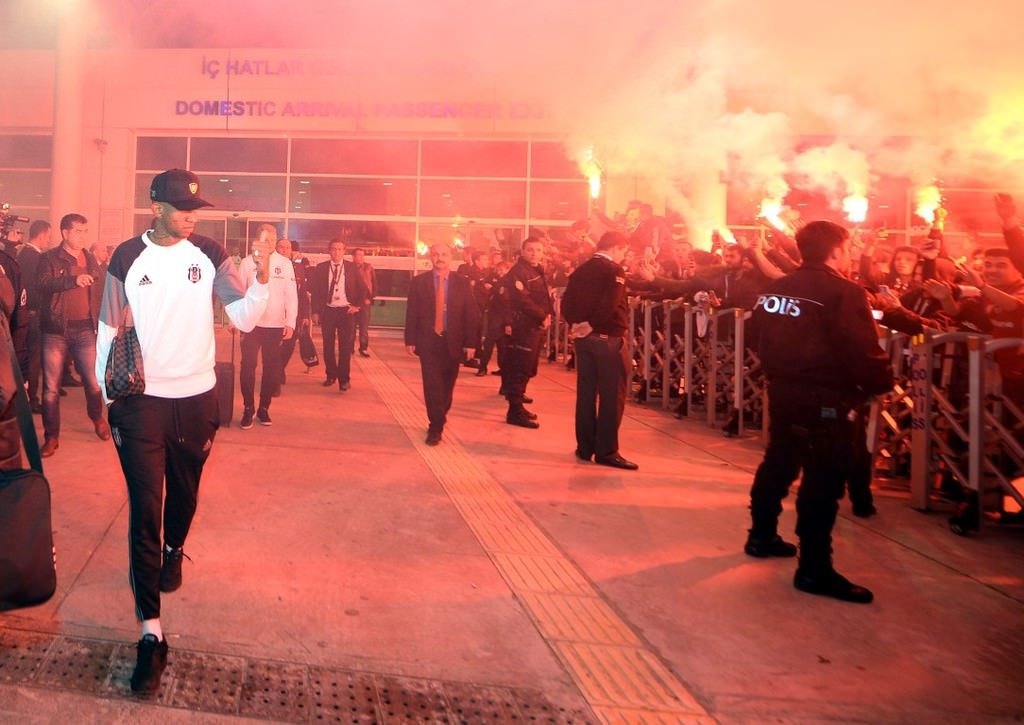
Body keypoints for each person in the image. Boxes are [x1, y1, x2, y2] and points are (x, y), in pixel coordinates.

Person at [94, 168, 271, 694]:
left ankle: (175, 550)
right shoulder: (127, 257)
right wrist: (109, 399)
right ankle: (151, 632)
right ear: (155, 208)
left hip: (197, 400)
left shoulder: (210, 253)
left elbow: (240, 317)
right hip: (142, 403)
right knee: (146, 508)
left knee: (184, 497)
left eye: (195, 207)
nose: (191, 215)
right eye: (180, 207)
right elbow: (106, 328)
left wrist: (259, 277)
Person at [745, 220, 893, 604]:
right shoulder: (844, 292)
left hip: (784, 390)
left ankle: (761, 535)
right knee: (823, 479)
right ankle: (814, 568)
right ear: (837, 251)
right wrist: (881, 382)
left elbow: (752, 333)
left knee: (778, 461)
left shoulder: (776, 288)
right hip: (827, 397)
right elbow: (861, 349)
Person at [560, 231, 639, 470]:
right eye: (624, 250)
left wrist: (576, 325)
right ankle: (606, 450)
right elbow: (611, 302)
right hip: (607, 339)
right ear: (616, 247)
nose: (624, 256)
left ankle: (585, 447)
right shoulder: (614, 271)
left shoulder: (581, 270)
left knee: (586, 394)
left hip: (584, 340)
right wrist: (592, 324)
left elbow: (566, 303)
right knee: (612, 396)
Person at [37, 213, 109, 457]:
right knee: (51, 388)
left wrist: (101, 318)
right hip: (56, 330)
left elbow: (99, 288)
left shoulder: (90, 258)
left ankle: (97, 418)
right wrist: (72, 280)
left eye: (85, 232)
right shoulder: (49, 258)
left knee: (92, 381)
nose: (82, 236)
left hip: (85, 329)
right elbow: (43, 284)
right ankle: (51, 436)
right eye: (78, 231)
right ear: (65, 233)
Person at [404, 243, 479, 446]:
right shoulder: (419, 282)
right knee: (432, 385)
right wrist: (410, 339)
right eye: (436, 254)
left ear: (450, 257)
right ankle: (435, 426)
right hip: (428, 341)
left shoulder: (462, 283)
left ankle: (440, 414)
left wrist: (471, 343)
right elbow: (412, 312)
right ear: (431, 257)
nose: (440, 258)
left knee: (447, 386)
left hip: (453, 342)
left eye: (444, 254)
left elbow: (471, 314)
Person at [236, 223, 297, 428]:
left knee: (271, 369)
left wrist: (290, 322)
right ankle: (248, 408)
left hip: (275, 325)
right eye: (265, 240)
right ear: (257, 240)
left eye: (272, 240)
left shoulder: (285, 263)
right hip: (251, 324)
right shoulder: (246, 263)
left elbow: (291, 296)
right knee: (248, 367)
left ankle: (264, 408)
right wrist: (237, 319)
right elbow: (238, 293)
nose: (269, 244)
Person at [496, 237, 552, 428]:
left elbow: (544, 297)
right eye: (530, 250)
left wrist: (548, 314)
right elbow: (523, 300)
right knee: (519, 368)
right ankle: (514, 410)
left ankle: (518, 404)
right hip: (524, 327)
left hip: (534, 326)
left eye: (538, 250)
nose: (534, 253)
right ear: (522, 251)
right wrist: (542, 316)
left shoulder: (537, 270)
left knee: (528, 367)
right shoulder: (519, 272)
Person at [309, 238, 369, 391]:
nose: (336, 252)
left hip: (346, 312)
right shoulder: (321, 268)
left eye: (339, 249)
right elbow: (315, 291)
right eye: (333, 249)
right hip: (328, 311)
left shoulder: (351, 268)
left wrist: (357, 306)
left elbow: (364, 289)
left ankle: (344, 379)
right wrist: (315, 311)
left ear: (344, 251)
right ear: (329, 251)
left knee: (345, 347)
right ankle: (330, 375)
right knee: (327, 346)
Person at [17, 220, 50, 413]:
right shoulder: (37, 258)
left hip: (22, 314)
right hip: (34, 314)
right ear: (42, 234)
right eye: (49, 235)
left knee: (24, 356)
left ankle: (23, 396)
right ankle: (32, 400)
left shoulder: (21, 254)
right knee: (34, 358)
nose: (49, 240)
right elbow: (35, 288)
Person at [275, 238, 311, 386]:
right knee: (274, 348)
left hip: (293, 316)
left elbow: (302, 294)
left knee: (289, 347)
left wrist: (305, 316)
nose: (284, 250)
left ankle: (279, 369)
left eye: (287, 248)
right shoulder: (271, 266)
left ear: (292, 251)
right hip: (274, 315)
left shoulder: (298, 268)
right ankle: (275, 380)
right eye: (281, 247)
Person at [352, 247, 376, 358]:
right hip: (352, 302)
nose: (360, 257)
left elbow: (374, 284)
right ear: (353, 256)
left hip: (365, 302)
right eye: (358, 255)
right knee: (350, 327)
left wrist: (370, 299)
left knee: (364, 327)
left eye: (362, 255)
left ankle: (363, 348)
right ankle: (349, 348)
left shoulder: (369, 267)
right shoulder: (349, 267)